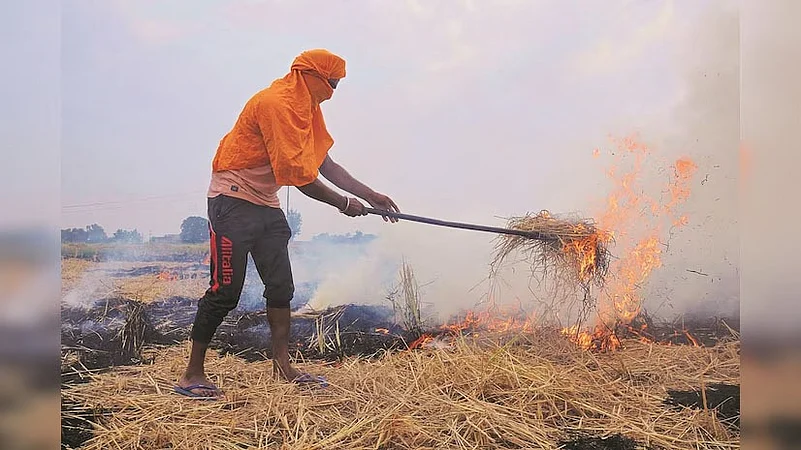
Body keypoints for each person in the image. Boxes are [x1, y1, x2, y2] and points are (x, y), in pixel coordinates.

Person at [174, 49, 400, 398]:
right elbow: (298, 175)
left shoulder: (307, 111)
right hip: (232, 199)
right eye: (332, 83)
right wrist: (343, 203)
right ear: (310, 75)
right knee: (225, 292)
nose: (334, 92)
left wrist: (371, 195)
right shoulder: (276, 103)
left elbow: (323, 163)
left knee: (281, 288)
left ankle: (283, 367)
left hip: (265, 202)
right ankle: (192, 374)